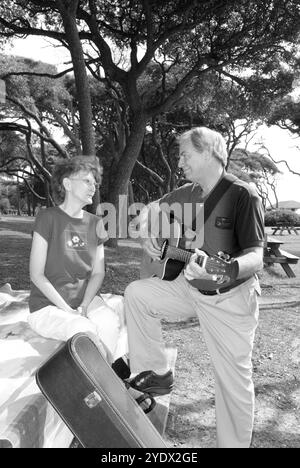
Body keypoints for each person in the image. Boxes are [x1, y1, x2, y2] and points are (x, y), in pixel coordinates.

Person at [124, 127, 265, 448]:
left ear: (208, 153)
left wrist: (231, 268)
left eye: (185, 154)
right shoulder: (189, 193)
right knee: (138, 294)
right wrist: (148, 226)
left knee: (233, 383)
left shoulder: (243, 195)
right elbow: (153, 206)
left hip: (230, 297)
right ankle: (157, 373)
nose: (180, 161)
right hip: (190, 288)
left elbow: (256, 255)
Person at [27, 156, 127, 364]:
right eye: (87, 181)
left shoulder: (97, 223)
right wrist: (68, 311)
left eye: (95, 183)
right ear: (67, 184)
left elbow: (98, 272)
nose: (93, 187)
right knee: (83, 329)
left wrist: (84, 305)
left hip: (86, 302)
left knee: (109, 323)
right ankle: (113, 380)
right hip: (48, 308)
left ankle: (108, 381)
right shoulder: (47, 218)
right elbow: (37, 274)